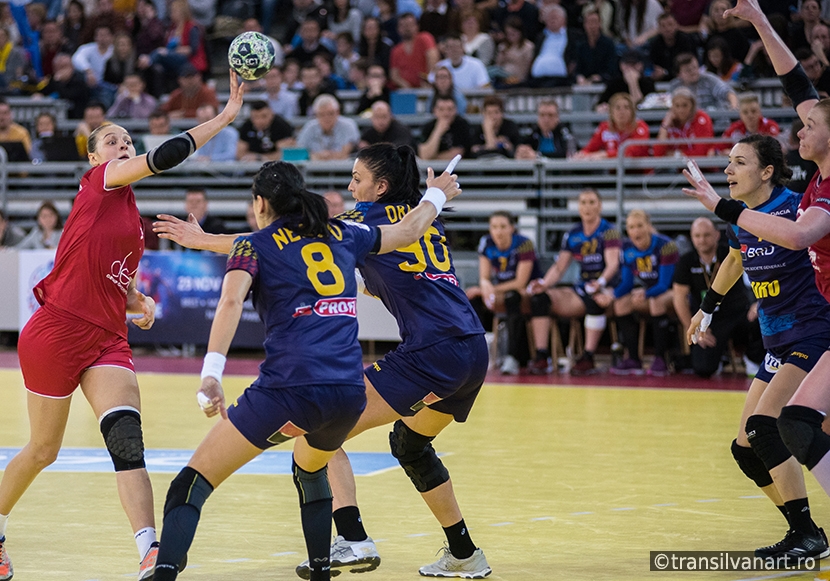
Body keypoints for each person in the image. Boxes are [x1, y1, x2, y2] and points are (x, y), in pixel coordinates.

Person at [152, 143, 489, 579]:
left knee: (323, 433)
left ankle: (351, 539)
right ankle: (464, 553)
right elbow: (408, 242)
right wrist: (435, 196)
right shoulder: (422, 217)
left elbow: (278, 240)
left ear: (380, 187)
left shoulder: (359, 221)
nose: (350, 187)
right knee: (410, 445)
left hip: (431, 352)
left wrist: (201, 240)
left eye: (357, 179)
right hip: (472, 348)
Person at [0, 70, 246, 581]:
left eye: (126, 140)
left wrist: (139, 299)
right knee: (44, 449)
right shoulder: (99, 182)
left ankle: (150, 550)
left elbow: (114, 275)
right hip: (58, 330)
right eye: (113, 140)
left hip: (107, 336)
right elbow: (162, 157)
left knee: (126, 439)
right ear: (94, 157)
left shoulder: (132, 219)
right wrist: (223, 118)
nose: (122, 145)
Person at [681, 3, 830, 554]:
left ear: (767, 171)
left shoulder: (798, 207)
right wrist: (707, 308)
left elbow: (795, 238)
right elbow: (736, 261)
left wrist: (718, 204)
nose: (728, 168)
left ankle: (807, 534)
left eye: (738, 161)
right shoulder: (751, 221)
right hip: (777, 341)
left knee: (779, 428)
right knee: (747, 448)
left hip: (814, 334)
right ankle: (803, 528)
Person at [527, 188, 621, 375]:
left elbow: (613, 265)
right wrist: (544, 283)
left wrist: (600, 283)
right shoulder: (572, 234)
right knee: (540, 298)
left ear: (600, 206)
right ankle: (541, 356)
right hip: (583, 287)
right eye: (583, 202)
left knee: (595, 300)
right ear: (578, 207)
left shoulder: (609, 232)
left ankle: (588, 356)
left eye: (592, 202)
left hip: (609, 286)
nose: (587, 207)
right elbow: (560, 267)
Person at [672, 216, 763, 378]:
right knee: (703, 369)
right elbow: (679, 297)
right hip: (709, 320)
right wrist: (693, 328)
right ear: (691, 238)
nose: (702, 240)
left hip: (738, 313)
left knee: (761, 317)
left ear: (717, 235)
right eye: (697, 236)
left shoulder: (730, 254)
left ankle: (752, 357)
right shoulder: (686, 261)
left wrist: (756, 303)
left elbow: (756, 277)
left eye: (706, 235)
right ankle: (720, 357)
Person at [466, 210, 547, 375]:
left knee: (513, 298)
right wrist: (484, 286)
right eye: (494, 227)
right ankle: (475, 353)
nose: (498, 231)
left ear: (512, 228)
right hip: (502, 290)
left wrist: (487, 289)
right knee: (472, 299)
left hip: (526, 293)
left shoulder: (524, 243)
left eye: (503, 226)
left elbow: (520, 282)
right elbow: (484, 276)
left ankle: (512, 357)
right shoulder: (486, 243)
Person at [606, 209, 678, 376]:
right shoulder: (627, 248)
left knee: (656, 300)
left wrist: (645, 294)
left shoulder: (666, 246)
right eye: (631, 227)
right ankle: (633, 359)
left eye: (639, 226)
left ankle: (660, 359)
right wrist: (610, 296)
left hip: (675, 293)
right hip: (651, 292)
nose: (635, 231)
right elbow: (626, 283)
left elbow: (664, 284)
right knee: (621, 302)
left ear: (648, 227)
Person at [573, 92, 650, 159]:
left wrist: (606, 155)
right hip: (613, 173)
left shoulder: (640, 127)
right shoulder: (605, 127)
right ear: (611, 112)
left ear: (632, 112)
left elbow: (633, 152)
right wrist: (582, 154)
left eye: (626, 107)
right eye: (617, 108)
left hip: (639, 172)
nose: (622, 112)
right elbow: (590, 148)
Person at [654, 87, 715, 158]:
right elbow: (658, 154)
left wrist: (676, 155)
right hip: (672, 166)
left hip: (698, 166)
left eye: (685, 105)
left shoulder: (702, 118)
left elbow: (700, 153)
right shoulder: (668, 120)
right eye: (677, 106)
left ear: (692, 105)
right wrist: (664, 127)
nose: (681, 110)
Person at [296, 94, 360, 161]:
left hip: (343, 169)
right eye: (322, 115)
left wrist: (318, 156)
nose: (327, 118)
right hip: (314, 169)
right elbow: (300, 151)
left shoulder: (348, 125)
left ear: (338, 112)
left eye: (330, 113)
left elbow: (344, 154)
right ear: (316, 115)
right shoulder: (309, 127)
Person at [669, 52, 739, 110]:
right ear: (679, 74)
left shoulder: (709, 79)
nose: (693, 72)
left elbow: (727, 92)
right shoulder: (674, 86)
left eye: (695, 67)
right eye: (688, 70)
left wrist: (734, 107)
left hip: (714, 121)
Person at [389, 12, 440, 88]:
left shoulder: (425, 38)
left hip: (426, 86)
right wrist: (405, 86)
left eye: (410, 25)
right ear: (398, 29)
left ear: (417, 26)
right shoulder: (396, 50)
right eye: (403, 25)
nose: (407, 28)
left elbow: (433, 59)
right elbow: (394, 75)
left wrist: (429, 80)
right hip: (406, 90)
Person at [418, 94, 472, 160]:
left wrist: (433, 158)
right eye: (441, 109)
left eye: (450, 109)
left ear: (456, 110)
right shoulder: (428, 127)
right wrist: (438, 131)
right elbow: (425, 156)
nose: (446, 113)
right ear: (435, 111)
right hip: (434, 169)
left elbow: (456, 155)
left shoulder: (462, 125)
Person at [649, 12, 699, 81]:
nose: (667, 29)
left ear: (676, 25)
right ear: (659, 29)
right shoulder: (655, 43)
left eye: (670, 24)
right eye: (663, 26)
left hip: (685, 78)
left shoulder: (686, 40)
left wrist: (666, 72)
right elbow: (655, 65)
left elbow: (689, 63)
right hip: (663, 80)